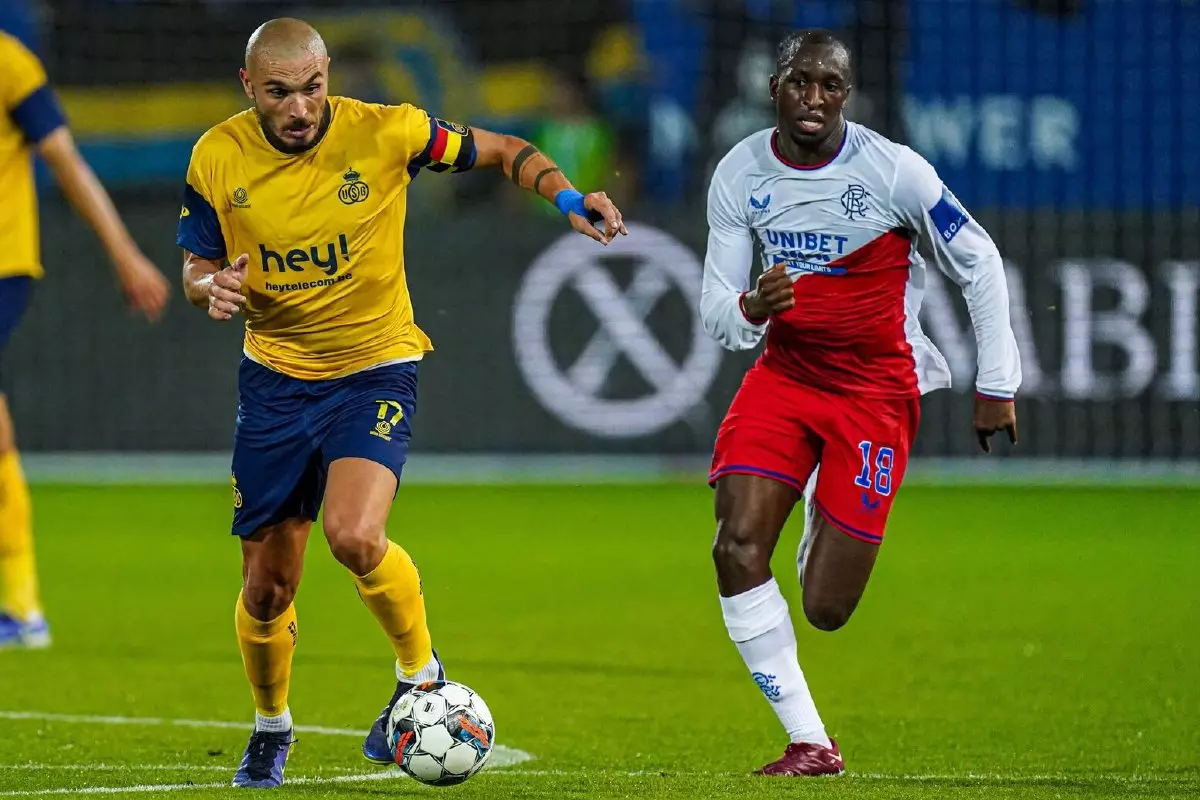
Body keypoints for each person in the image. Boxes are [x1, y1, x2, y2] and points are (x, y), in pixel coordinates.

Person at [175, 17, 626, 789]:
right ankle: (272, 726)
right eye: (279, 93)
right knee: (268, 587)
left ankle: (420, 675)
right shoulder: (216, 156)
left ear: (327, 76)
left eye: (312, 88)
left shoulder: (390, 133)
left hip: (375, 368)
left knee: (354, 535)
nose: (299, 108)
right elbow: (196, 265)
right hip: (276, 381)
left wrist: (567, 196)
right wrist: (206, 287)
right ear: (249, 86)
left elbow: (503, 149)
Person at [700, 28, 1021, 777]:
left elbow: (979, 261)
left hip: (874, 395)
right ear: (774, 86)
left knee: (826, 609)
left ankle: (824, 495)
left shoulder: (894, 172)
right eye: (799, 82)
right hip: (785, 379)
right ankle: (811, 742)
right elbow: (718, 311)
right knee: (735, 545)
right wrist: (752, 306)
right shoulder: (739, 172)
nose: (814, 99)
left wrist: (996, 384)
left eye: (831, 85)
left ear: (848, 93)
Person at [0, 29, 169, 649]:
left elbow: (65, 159)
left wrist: (125, 254)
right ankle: (22, 608)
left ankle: (23, 608)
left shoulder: (8, 63)